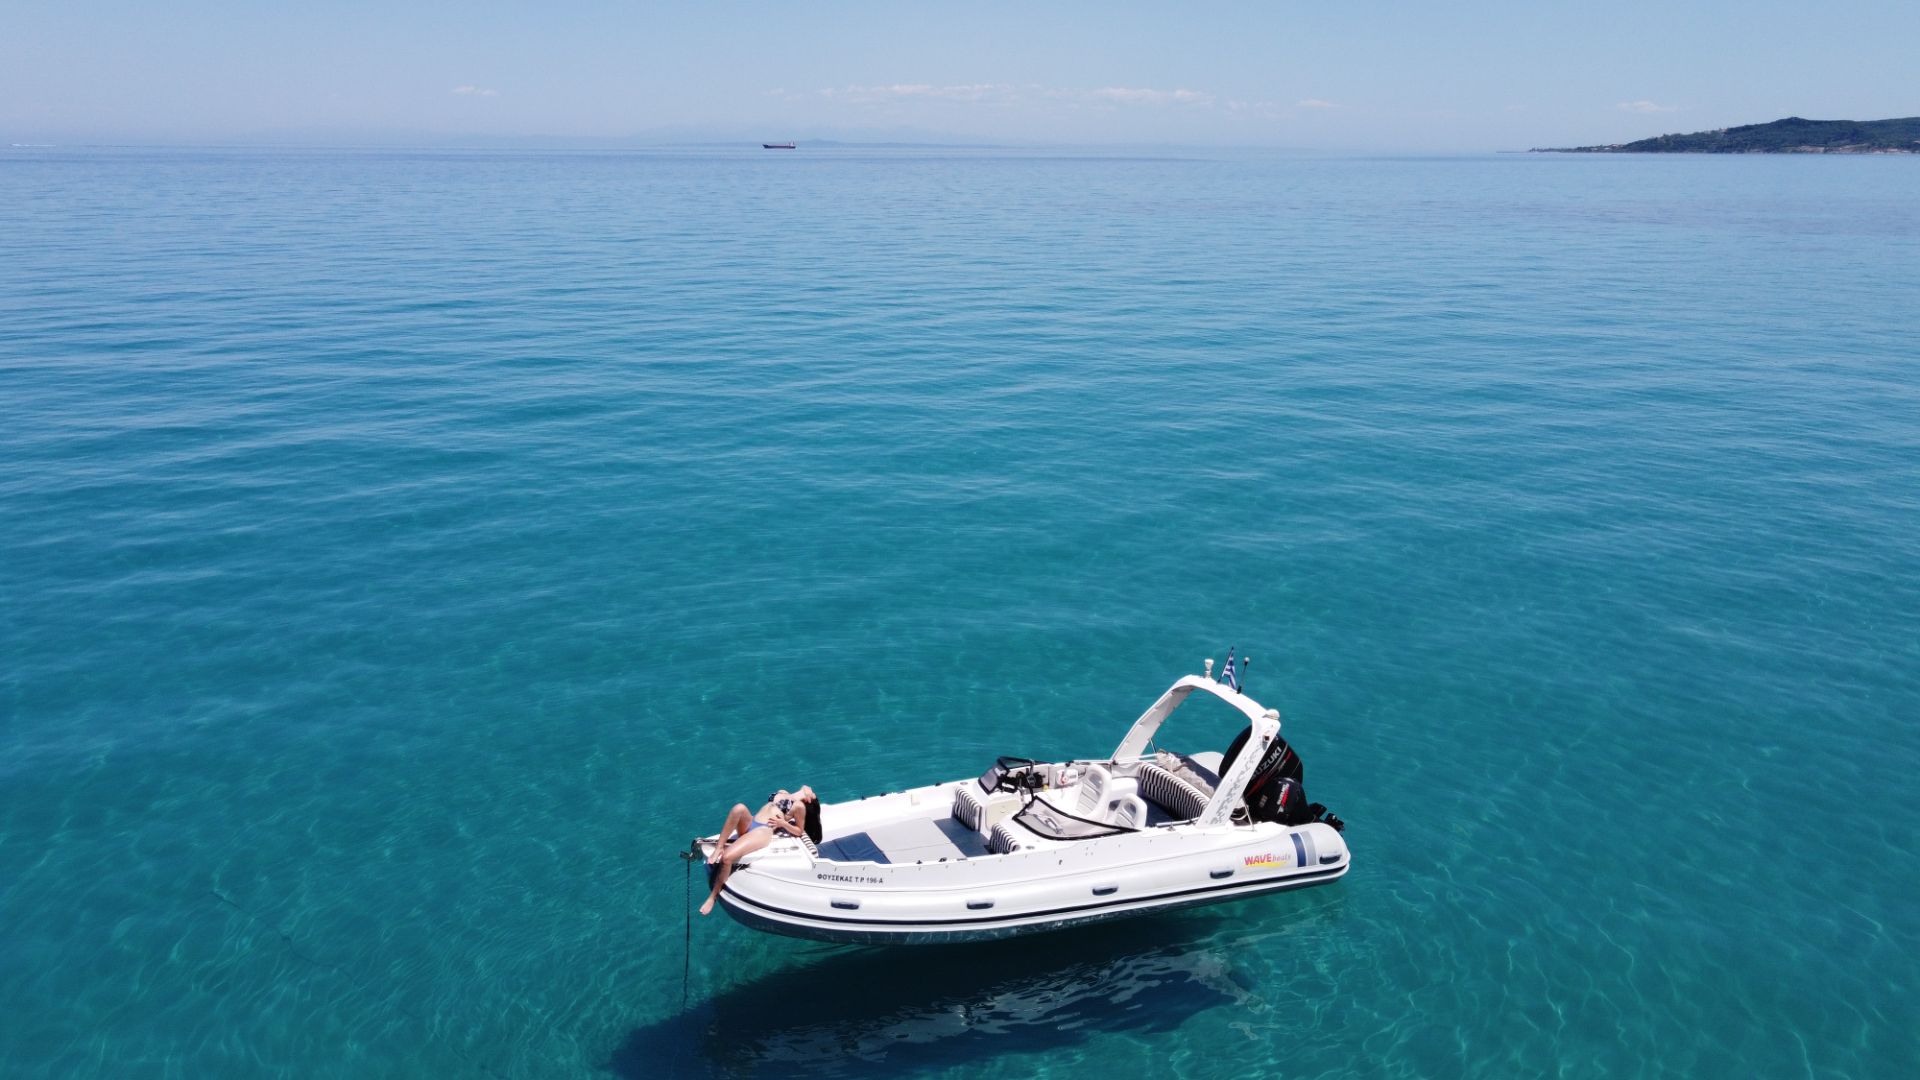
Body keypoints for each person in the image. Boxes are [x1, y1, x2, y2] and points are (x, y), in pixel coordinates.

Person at [699, 785, 819, 916]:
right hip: (752, 821)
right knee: (739, 807)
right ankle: (719, 847)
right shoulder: (784, 793)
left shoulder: (799, 807)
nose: (809, 795)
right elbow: (807, 788)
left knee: (727, 858)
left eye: (810, 797)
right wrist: (806, 791)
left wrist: (783, 824)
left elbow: (799, 831)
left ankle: (712, 897)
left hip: (763, 831)